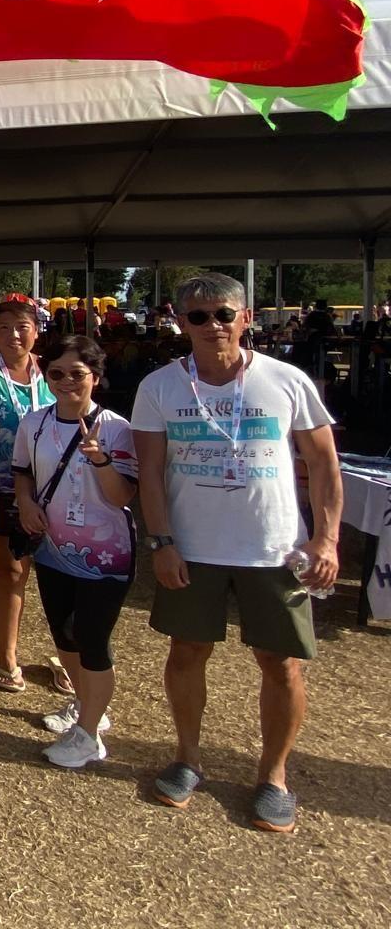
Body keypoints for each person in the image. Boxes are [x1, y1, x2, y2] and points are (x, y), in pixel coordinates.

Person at [132, 273, 342, 832]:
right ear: (180, 323)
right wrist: (163, 542)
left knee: (281, 664)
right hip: (194, 549)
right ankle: (188, 757)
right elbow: (150, 472)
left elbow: (322, 462)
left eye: (223, 314)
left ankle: (273, 775)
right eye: (197, 317)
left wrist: (327, 538)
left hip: (274, 549)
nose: (212, 326)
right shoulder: (159, 386)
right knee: (187, 652)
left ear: (246, 318)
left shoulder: (286, 380)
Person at [13, 336, 139, 769]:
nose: (66, 382)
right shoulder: (35, 423)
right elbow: (23, 473)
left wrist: (101, 460)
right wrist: (26, 504)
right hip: (52, 548)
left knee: (93, 639)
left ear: (96, 378)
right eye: (56, 374)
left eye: (77, 374)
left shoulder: (118, 428)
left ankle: (87, 735)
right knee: (63, 634)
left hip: (106, 552)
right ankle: (86, 709)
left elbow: (123, 495)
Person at [0, 293, 57, 696]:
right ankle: (8, 654)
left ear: (36, 331)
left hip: (56, 489)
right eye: (3, 327)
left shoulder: (55, 374)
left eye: (22, 327)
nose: (13, 335)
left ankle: (69, 653)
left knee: (62, 575)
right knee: (10, 572)